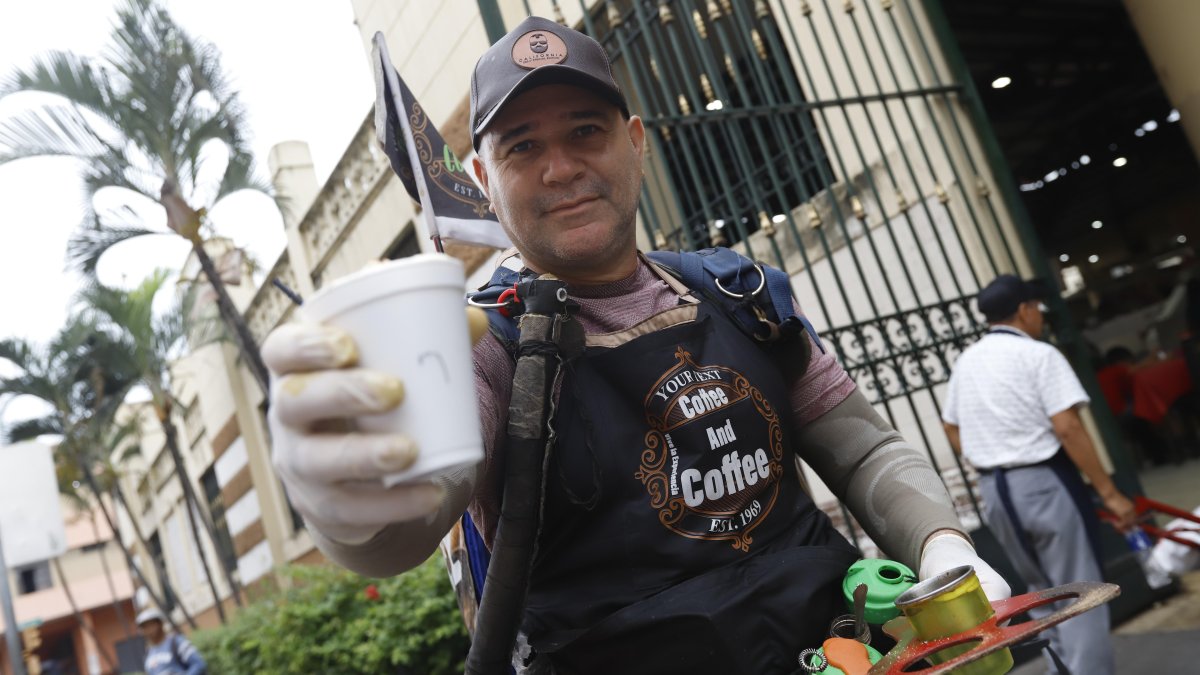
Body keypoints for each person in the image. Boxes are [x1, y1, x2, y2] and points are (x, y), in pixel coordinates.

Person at [264, 16, 1009, 673]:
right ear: (485, 179)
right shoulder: (482, 349)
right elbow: (408, 519)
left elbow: (865, 449)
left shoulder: (741, 294)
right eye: (523, 146)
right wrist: (348, 502)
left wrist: (942, 545)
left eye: (585, 130)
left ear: (635, 142)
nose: (561, 167)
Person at [941, 274, 1138, 675]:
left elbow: (950, 426)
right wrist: (1110, 493)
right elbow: (1067, 427)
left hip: (995, 489)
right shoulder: (1039, 355)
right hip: (1042, 482)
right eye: (1038, 308)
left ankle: (1059, 668)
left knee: (1039, 591)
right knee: (1080, 590)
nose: (1042, 316)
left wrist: (990, 455)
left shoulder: (968, 361)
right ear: (1024, 310)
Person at [136, 607, 207, 675]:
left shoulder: (177, 642)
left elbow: (199, 664)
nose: (148, 630)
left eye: (150, 625)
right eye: (144, 627)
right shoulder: (148, 654)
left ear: (160, 624)